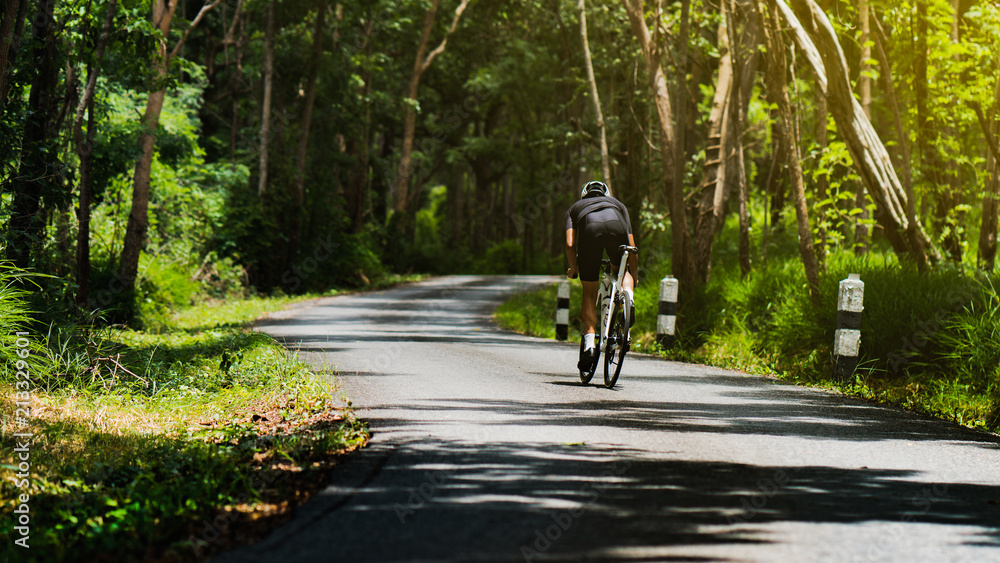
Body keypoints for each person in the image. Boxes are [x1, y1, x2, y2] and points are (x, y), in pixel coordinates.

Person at [565, 180, 638, 371]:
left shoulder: (575, 208)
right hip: (617, 227)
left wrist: (574, 268)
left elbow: (570, 244)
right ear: (605, 194)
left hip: (590, 231)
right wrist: (634, 275)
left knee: (589, 292)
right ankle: (628, 297)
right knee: (621, 272)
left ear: (584, 195)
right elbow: (632, 248)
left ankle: (589, 345)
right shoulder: (618, 205)